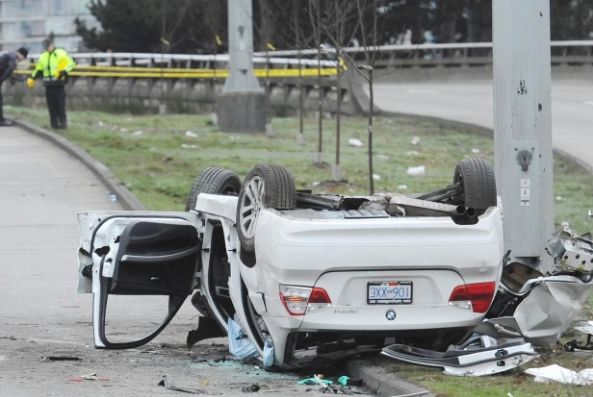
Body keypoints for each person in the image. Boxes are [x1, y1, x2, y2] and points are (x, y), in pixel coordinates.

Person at [27, 39, 75, 129]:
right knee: (51, 105)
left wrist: (64, 72)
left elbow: (71, 64)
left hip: (58, 83)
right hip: (48, 85)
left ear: (52, 44)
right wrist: (32, 78)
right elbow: (38, 69)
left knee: (60, 104)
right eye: (45, 46)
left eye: (48, 45)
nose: (47, 48)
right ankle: (54, 124)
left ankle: (63, 123)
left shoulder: (61, 53)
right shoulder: (43, 56)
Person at [0, 47, 28, 126]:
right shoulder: (13, 57)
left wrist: (21, 79)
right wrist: (1, 80)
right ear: (20, 54)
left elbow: (10, 73)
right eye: (23, 58)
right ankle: (1, 120)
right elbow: (9, 70)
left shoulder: (9, 55)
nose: (21, 60)